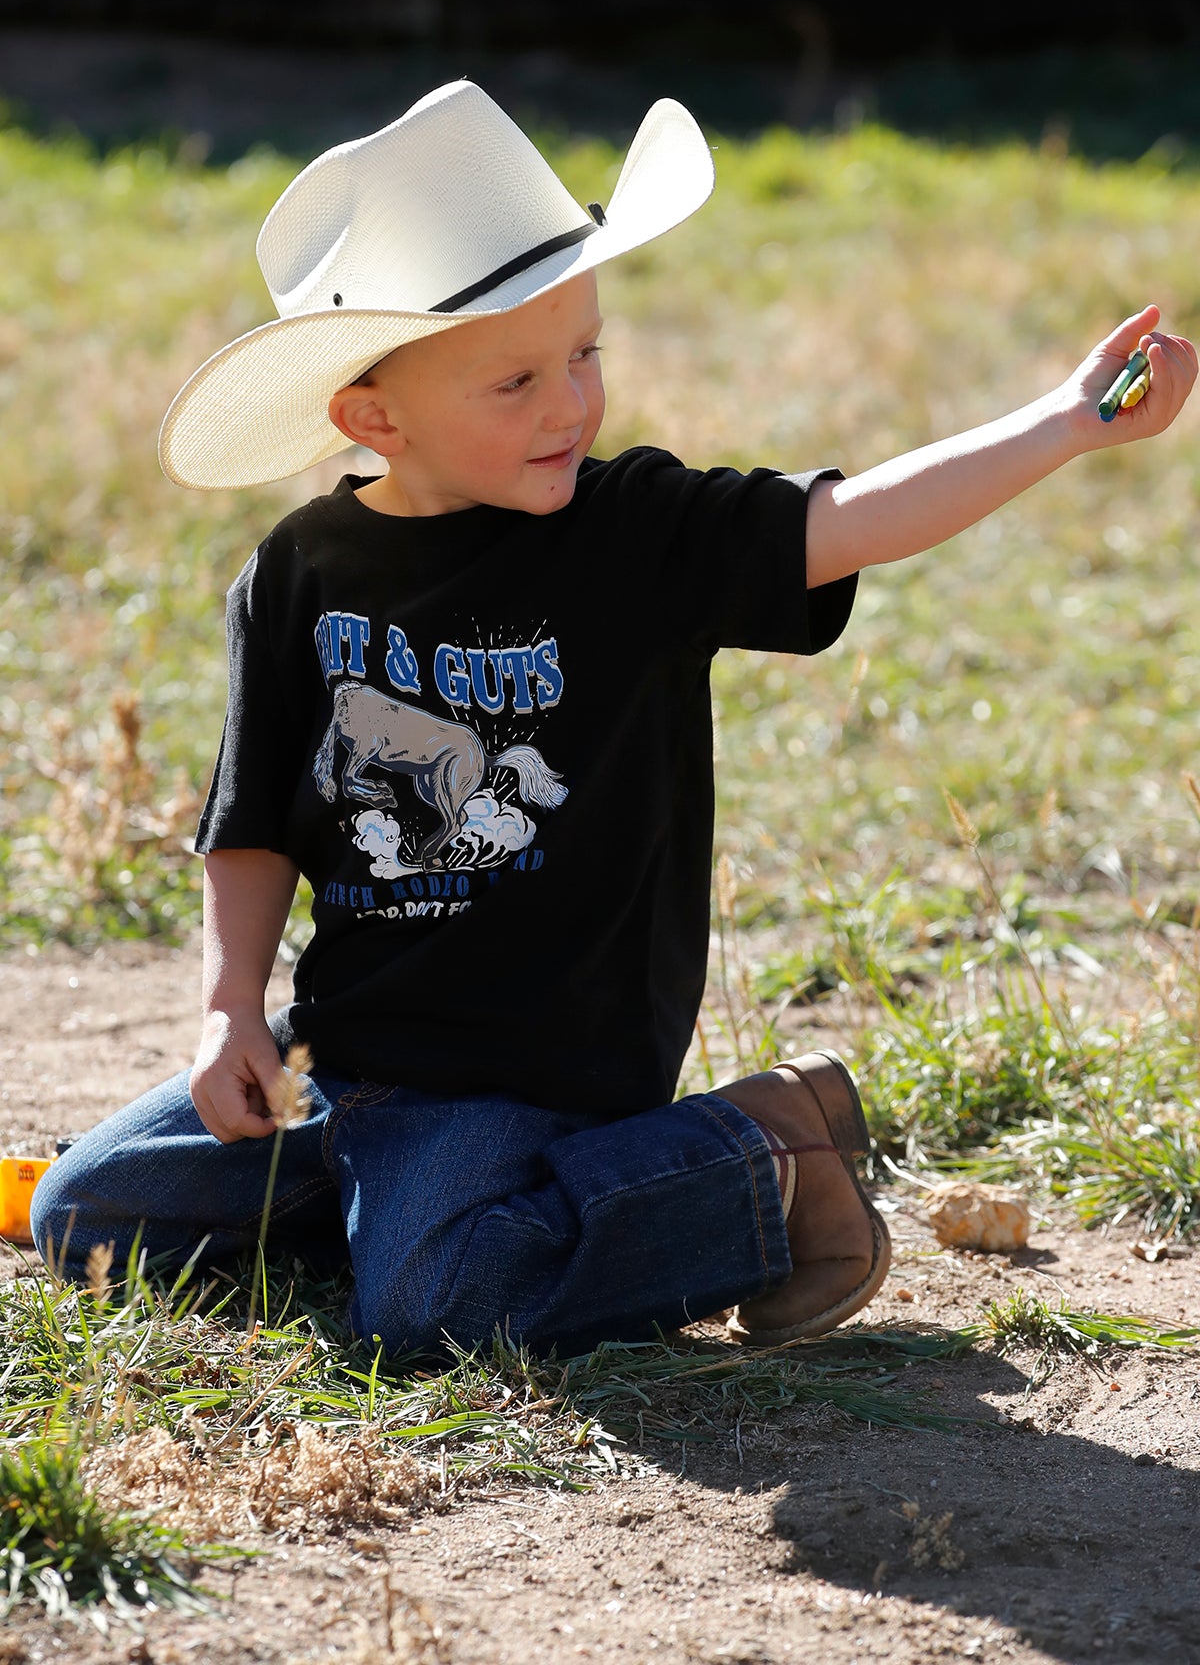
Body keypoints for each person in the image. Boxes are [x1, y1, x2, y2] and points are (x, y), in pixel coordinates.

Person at [33, 82, 1196, 1358]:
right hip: (346, 1060)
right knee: (87, 1216)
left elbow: (853, 517)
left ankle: (757, 1155)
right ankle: (440, 1224)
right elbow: (251, 816)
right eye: (516, 379)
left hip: (534, 1071)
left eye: (586, 354)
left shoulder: (636, 531)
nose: (570, 406)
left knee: (437, 1310)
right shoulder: (300, 571)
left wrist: (1066, 424)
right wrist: (228, 1012)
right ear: (374, 418)